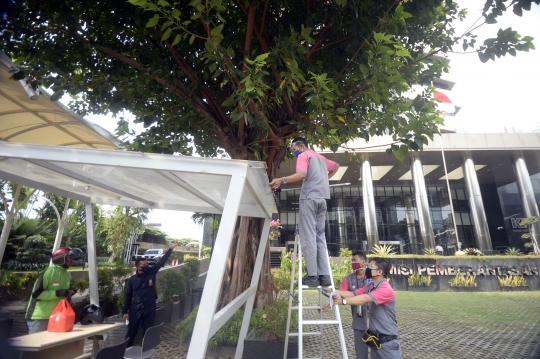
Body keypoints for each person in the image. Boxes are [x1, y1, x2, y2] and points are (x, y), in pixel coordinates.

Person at [269, 137, 339, 287]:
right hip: (322, 199)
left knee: (308, 235)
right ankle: (324, 276)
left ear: (301, 145)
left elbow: (301, 174)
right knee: (320, 235)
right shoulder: (320, 157)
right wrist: (324, 180)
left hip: (309, 198)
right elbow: (336, 166)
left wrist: (282, 180)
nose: (294, 152)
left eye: (294, 149)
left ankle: (312, 276)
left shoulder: (303, 155)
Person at [331, 258, 402, 359]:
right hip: (375, 342)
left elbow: (365, 298)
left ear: (380, 272)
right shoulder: (370, 286)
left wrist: (343, 301)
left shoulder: (385, 288)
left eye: (371, 267)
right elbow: (352, 293)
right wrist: (331, 290)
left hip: (388, 344)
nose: (367, 268)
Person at [122, 241, 178, 347]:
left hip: (150, 308)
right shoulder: (132, 280)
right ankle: (126, 352)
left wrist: (170, 249)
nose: (147, 266)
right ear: (138, 267)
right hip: (137, 309)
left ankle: (145, 353)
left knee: (148, 333)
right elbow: (128, 296)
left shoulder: (152, 272)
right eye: (144, 265)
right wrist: (125, 311)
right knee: (131, 333)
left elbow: (162, 261)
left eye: (147, 264)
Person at [25, 247, 78, 334]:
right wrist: (57, 293)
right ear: (60, 258)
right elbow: (37, 294)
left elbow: (62, 294)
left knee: (52, 346)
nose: (71, 260)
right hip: (40, 317)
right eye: (69, 257)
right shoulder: (49, 273)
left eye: (72, 258)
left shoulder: (67, 274)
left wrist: (69, 293)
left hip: (57, 316)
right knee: (36, 345)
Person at [339, 251, 369, 359]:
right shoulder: (348, 279)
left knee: (379, 353)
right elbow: (340, 294)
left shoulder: (373, 277)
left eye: (354, 260)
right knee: (361, 354)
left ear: (363, 262)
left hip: (375, 322)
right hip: (358, 322)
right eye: (351, 260)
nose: (352, 263)